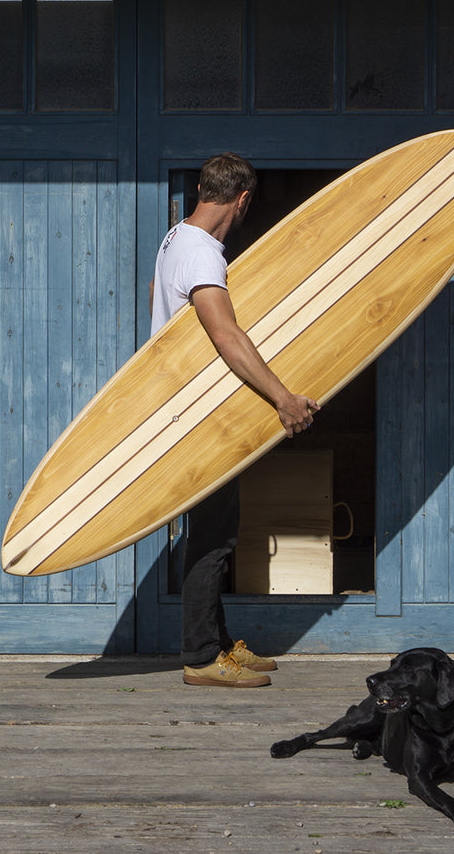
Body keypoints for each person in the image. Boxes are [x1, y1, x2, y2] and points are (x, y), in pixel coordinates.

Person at [149, 152, 320, 688]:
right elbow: (225, 335)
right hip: (199, 420)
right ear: (243, 200)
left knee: (218, 529)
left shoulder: (176, 238)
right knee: (213, 537)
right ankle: (201, 657)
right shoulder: (203, 255)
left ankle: (219, 643)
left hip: (193, 412)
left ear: (204, 189)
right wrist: (283, 398)